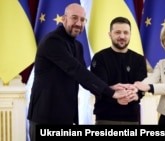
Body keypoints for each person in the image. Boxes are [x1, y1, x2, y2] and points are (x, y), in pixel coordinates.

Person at [27, 3, 128, 141]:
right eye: (74, 18)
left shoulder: (78, 46)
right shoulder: (52, 41)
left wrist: (108, 87)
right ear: (64, 19)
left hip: (66, 118)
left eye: (82, 20)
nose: (78, 23)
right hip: (45, 118)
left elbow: (84, 78)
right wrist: (110, 92)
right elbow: (76, 70)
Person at [90, 16, 147, 125]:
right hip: (105, 118)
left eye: (126, 32)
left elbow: (142, 86)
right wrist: (115, 95)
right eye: (117, 32)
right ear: (110, 34)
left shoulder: (139, 59)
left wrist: (136, 95)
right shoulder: (99, 57)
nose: (122, 36)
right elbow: (98, 86)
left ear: (130, 35)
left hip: (132, 118)